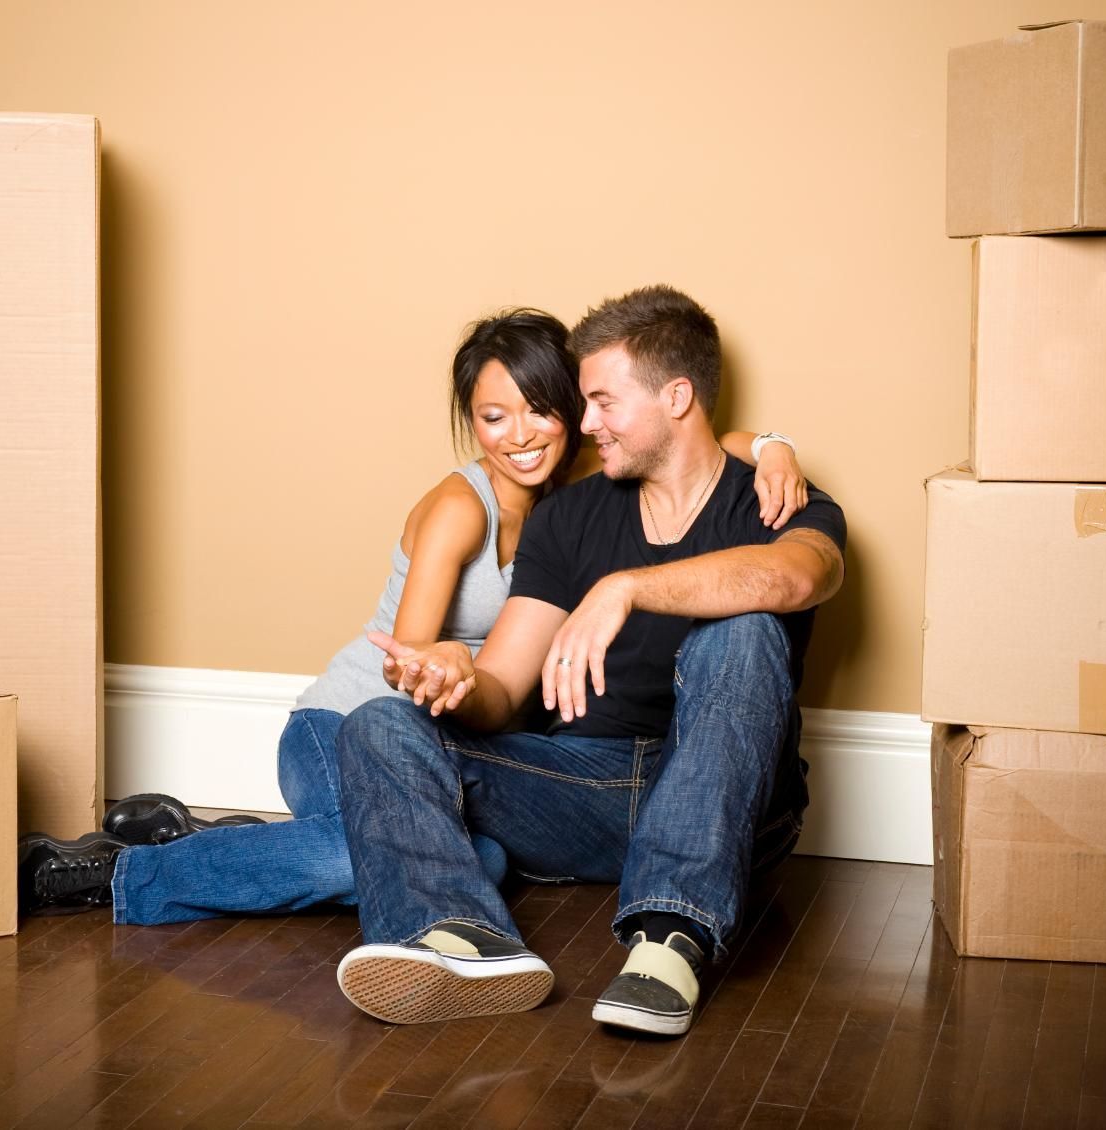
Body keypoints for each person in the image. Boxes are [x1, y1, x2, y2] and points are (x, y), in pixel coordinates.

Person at [16, 307, 811, 927]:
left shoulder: (584, 488)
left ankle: (201, 840)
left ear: (574, 412)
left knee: (476, 860)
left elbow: (683, 430)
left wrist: (768, 443)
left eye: (540, 410)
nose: (520, 435)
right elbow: (412, 656)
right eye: (493, 418)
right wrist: (435, 669)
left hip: (461, 732)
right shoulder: (457, 509)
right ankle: (103, 876)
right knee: (373, 861)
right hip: (362, 719)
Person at [331, 284, 846, 1039]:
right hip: (587, 788)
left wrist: (626, 590)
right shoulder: (569, 517)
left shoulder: (774, 500)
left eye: (602, 402)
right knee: (379, 723)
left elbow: (799, 577)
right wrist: (454, 679)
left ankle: (668, 940)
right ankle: (460, 940)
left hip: (730, 804)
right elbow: (504, 688)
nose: (585, 423)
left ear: (677, 397)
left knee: (742, 631)